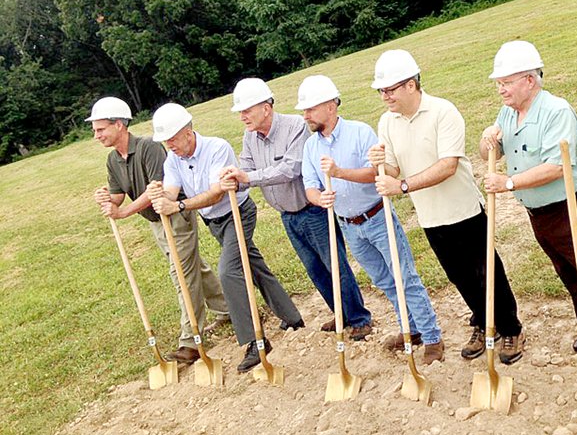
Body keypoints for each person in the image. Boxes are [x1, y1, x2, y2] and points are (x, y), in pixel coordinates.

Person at [482, 41, 577, 367]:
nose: (501, 89)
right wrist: (488, 141)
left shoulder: (557, 111)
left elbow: (556, 167)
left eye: (506, 82)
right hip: (539, 213)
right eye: (498, 83)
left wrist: (508, 183)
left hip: (572, 204)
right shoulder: (507, 113)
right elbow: (491, 154)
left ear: (529, 80)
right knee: (569, 274)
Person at [367, 50, 525, 365]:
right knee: (459, 277)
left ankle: (510, 328)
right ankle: (482, 322)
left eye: (390, 89)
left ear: (411, 85)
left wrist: (401, 187)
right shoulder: (387, 121)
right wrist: (380, 165)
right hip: (430, 216)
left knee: (485, 272)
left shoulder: (443, 111)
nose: (385, 96)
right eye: (381, 91)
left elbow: (448, 165)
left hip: (463, 209)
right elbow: (394, 169)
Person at [145, 102, 303, 374]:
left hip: (236, 212)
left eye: (172, 138)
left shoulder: (216, 148)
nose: (169, 144)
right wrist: (160, 195)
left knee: (229, 272)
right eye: (165, 140)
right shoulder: (173, 159)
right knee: (253, 265)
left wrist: (180, 206)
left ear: (188, 132)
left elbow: (216, 192)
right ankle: (291, 316)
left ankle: (255, 341)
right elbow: (171, 192)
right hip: (214, 221)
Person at [297, 75, 445, 364]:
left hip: (377, 217)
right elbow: (310, 185)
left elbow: (377, 173)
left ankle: (432, 337)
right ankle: (410, 329)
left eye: (310, 109)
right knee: (384, 281)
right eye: (304, 111)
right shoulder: (310, 148)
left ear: (330, 106)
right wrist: (319, 198)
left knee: (405, 278)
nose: (305, 116)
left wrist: (340, 173)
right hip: (348, 225)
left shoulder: (360, 133)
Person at [218, 78, 373, 339]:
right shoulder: (250, 136)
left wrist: (249, 178)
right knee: (314, 269)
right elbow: (246, 164)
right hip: (287, 215)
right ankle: (341, 314)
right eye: (240, 112)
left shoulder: (295, 128)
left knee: (334, 264)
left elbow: (290, 168)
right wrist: (234, 175)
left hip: (313, 210)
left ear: (266, 108)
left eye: (247, 110)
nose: (242, 117)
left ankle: (359, 318)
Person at [88, 97, 229, 365]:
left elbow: (158, 189)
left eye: (100, 129)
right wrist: (107, 199)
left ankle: (190, 340)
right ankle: (227, 307)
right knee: (192, 267)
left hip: (175, 215)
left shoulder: (149, 148)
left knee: (181, 274)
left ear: (119, 125)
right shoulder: (112, 160)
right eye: (95, 130)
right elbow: (118, 196)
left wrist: (124, 212)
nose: (96, 136)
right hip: (156, 222)